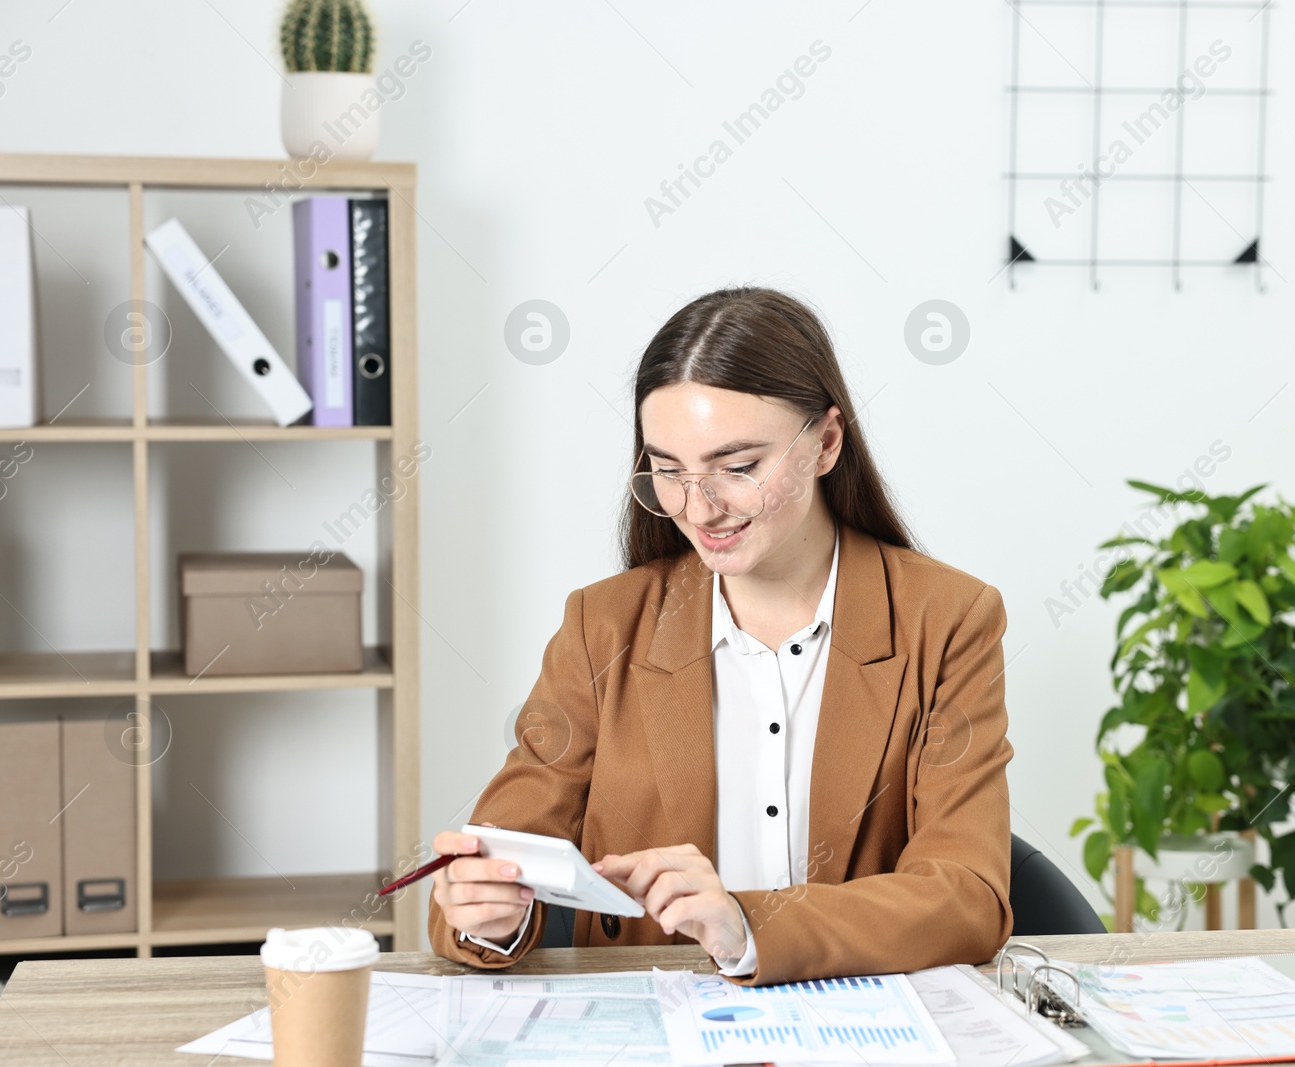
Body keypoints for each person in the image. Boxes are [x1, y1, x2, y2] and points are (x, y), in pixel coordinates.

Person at [427, 287, 1013, 985]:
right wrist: (483, 909)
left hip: (862, 1031)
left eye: (737, 467)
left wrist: (748, 923)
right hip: (645, 1032)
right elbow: (492, 856)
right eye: (669, 470)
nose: (698, 507)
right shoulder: (602, 626)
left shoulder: (947, 618)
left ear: (827, 442)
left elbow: (969, 897)